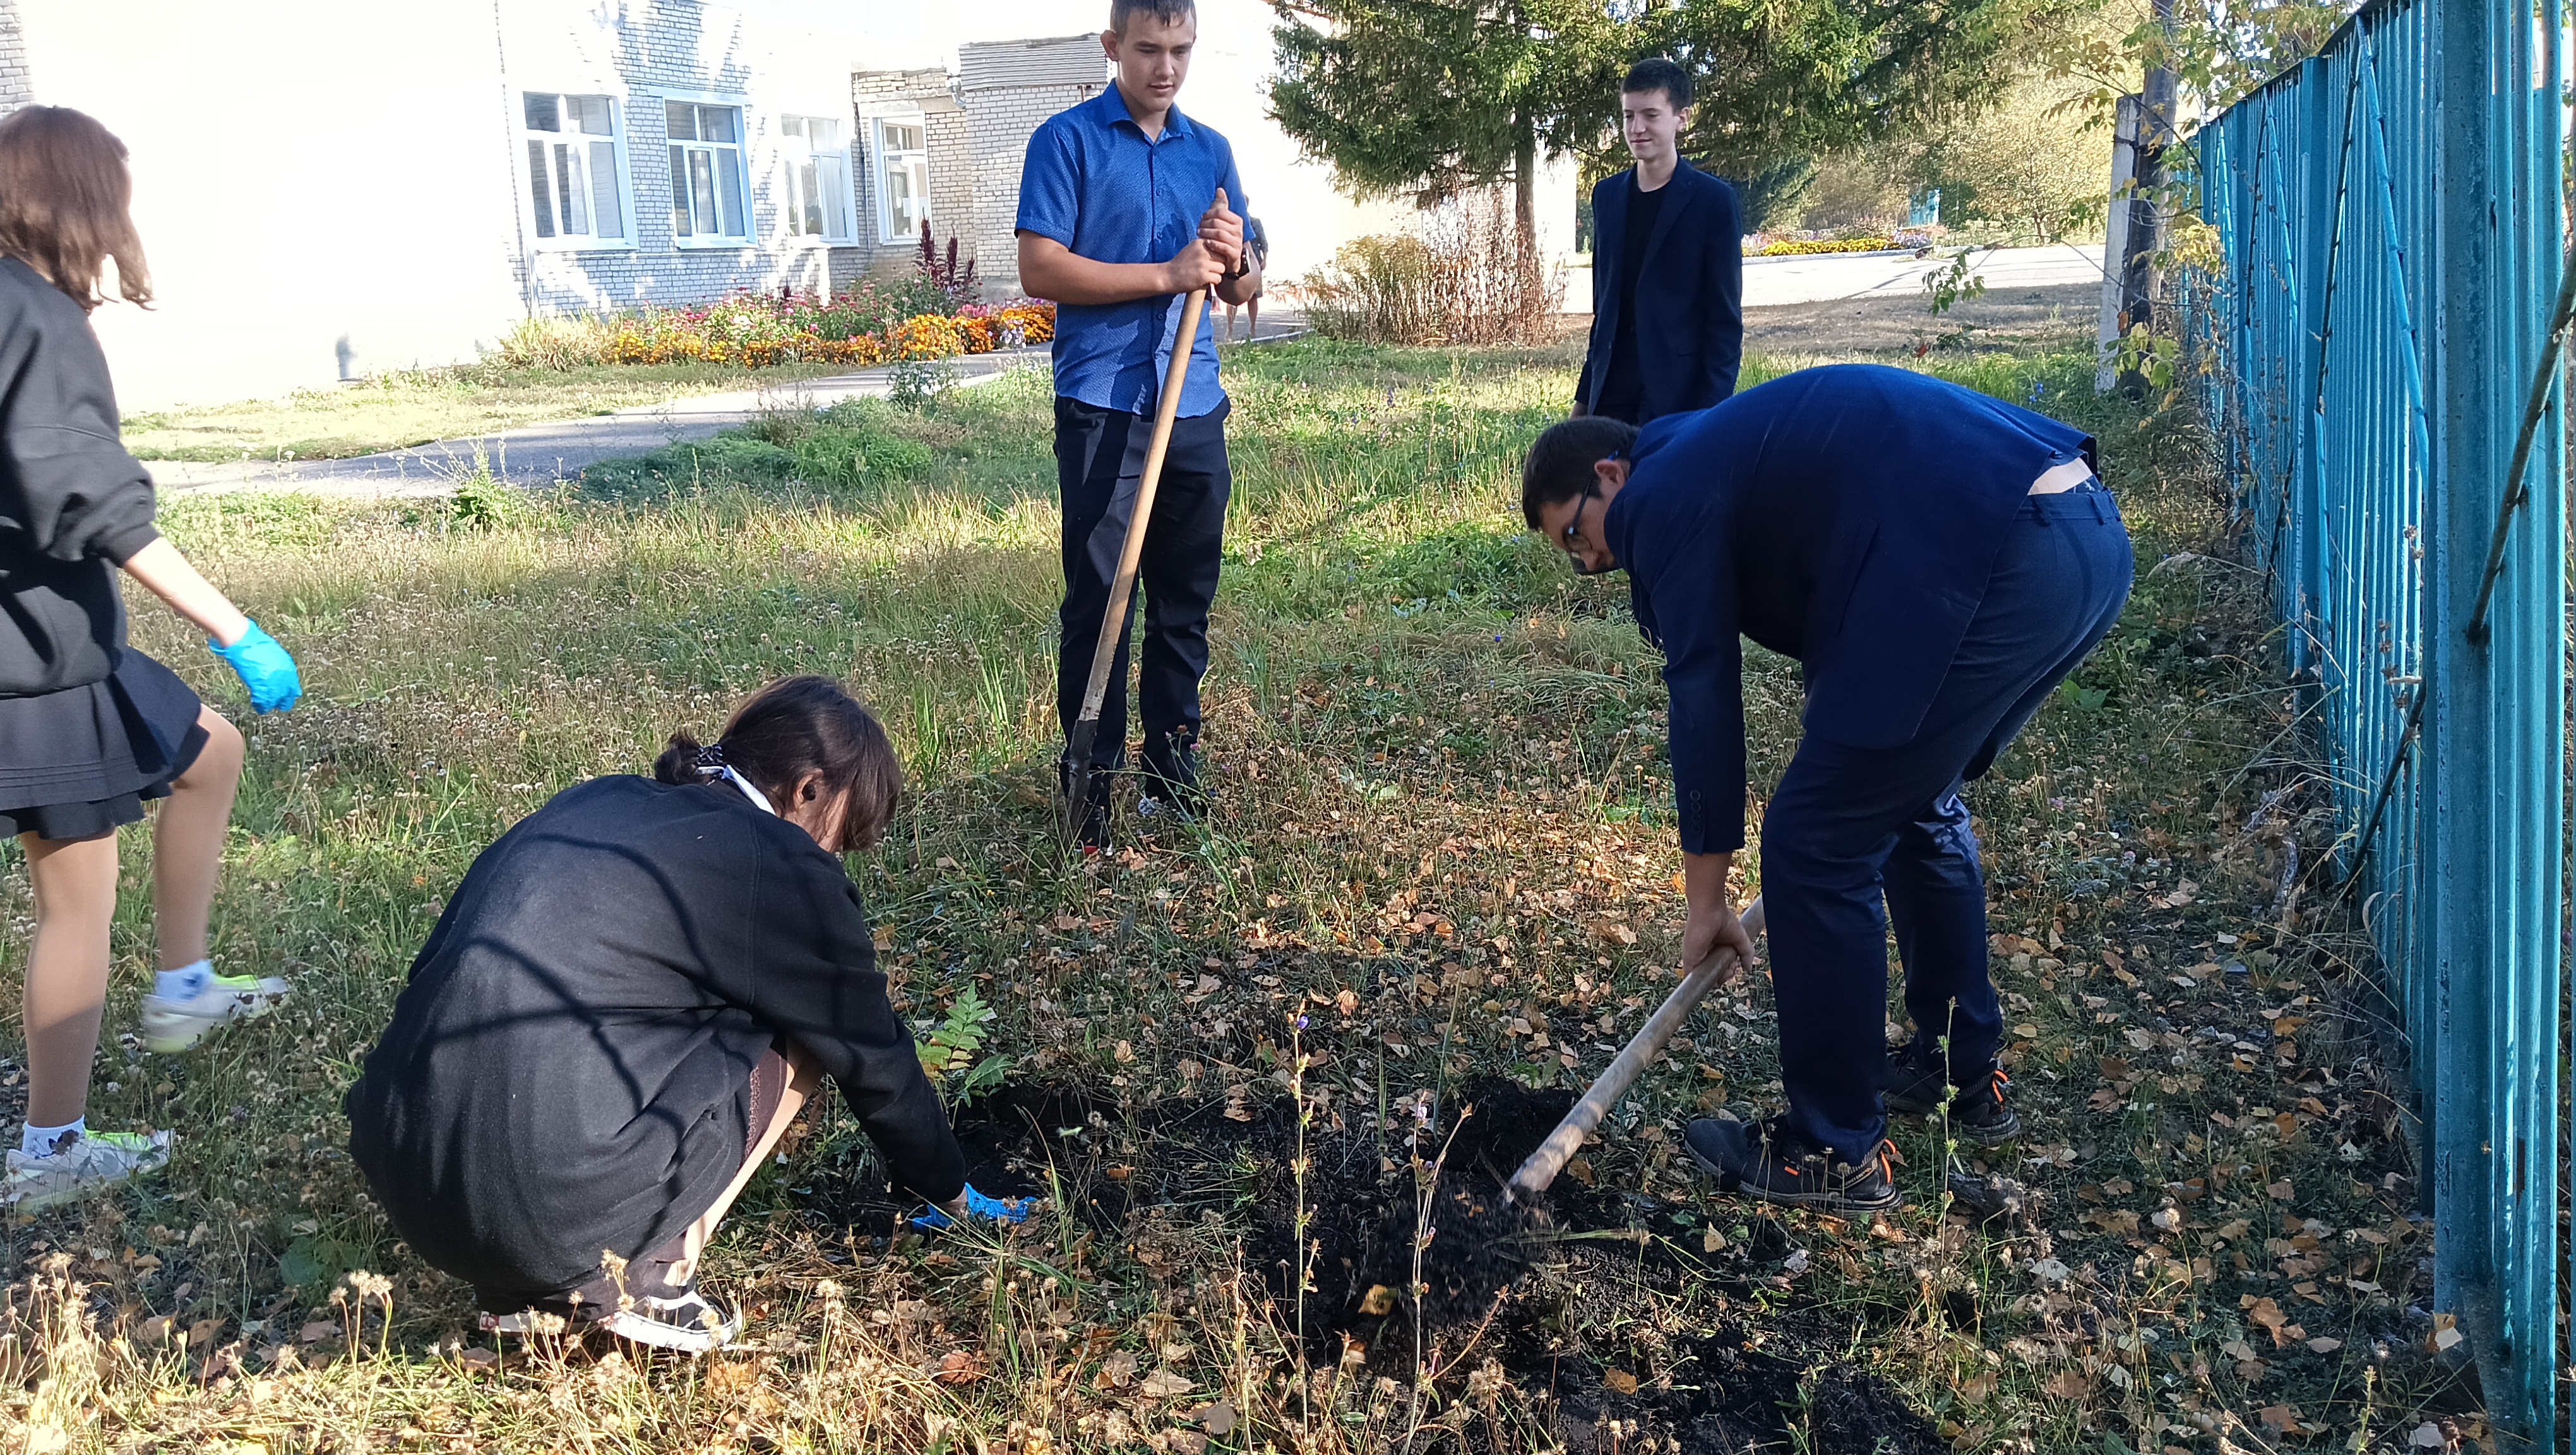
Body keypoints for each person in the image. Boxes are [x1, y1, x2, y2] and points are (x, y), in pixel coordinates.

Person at [1520, 364, 2133, 1214]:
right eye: (1574, 558)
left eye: (1577, 534)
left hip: (1999, 550)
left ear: (1610, 475)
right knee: (1909, 805)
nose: (1592, 561)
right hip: (2080, 534)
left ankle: (1834, 1150)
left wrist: (1705, 901)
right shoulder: (1717, 453)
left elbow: (1702, 691)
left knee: (1815, 842)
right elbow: (1841, 585)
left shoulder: (1659, 492)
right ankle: (1958, 1072)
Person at [345, 678, 1028, 1353]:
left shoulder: (593, 799)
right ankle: (646, 1276)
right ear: (809, 790)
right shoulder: (780, 863)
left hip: (409, 1178)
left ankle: (521, 1287)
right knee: (808, 1024)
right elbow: (873, 1054)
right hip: (559, 1201)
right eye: (841, 837)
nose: (832, 857)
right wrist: (948, 1193)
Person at [0, 107, 303, 1211]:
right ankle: (51, 1152)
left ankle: (183, 986)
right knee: (76, 902)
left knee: (208, 752)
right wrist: (236, 628)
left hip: (53, 635)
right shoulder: (33, 317)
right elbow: (95, 501)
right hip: (32, 664)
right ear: (84, 201)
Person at [1017, 0, 1263, 849]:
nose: (1166, 68)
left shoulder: (1211, 151)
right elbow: (1040, 268)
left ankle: (1172, 769)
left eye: (1181, 50)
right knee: (1100, 602)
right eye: (1150, 49)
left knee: (1183, 601)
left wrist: (1237, 257)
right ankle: (1091, 785)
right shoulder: (1067, 142)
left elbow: (1241, 284)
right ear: (1113, 46)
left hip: (1192, 403)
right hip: (1104, 406)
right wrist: (1169, 272)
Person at [1571, 58, 1744, 426]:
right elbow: (1605, 315)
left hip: (1678, 397)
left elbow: (1724, 324)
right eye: (1628, 116)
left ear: (1682, 118)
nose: (1637, 128)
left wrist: (1709, 418)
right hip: (1610, 393)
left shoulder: (1713, 201)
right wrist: (1583, 404)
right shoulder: (1606, 196)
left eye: (1650, 115)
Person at [1223, 215, 1268, 341]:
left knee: (1254, 296)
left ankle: (1253, 329)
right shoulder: (1231, 221)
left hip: (1255, 262)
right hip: (1235, 262)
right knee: (1232, 296)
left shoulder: (1255, 222)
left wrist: (1264, 260)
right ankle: (1229, 329)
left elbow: (1263, 242)